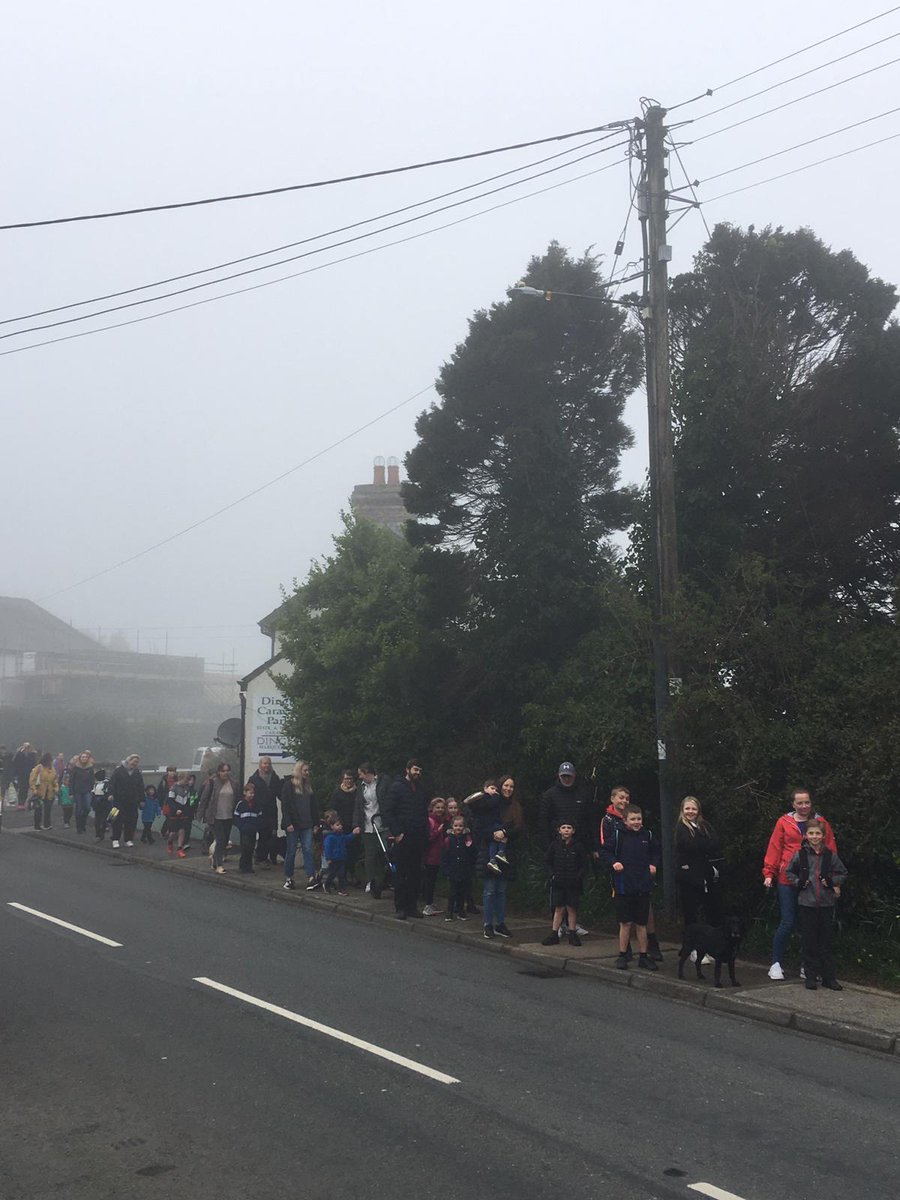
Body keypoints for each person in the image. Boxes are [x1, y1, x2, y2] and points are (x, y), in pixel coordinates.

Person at [763, 788, 838, 981]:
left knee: (809, 925)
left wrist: (833, 880)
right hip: (787, 879)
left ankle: (808, 966)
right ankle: (776, 963)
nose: (804, 806)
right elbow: (775, 847)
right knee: (788, 921)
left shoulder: (821, 823)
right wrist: (769, 873)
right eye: (799, 803)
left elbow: (831, 851)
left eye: (807, 802)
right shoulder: (784, 822)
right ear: (793, 804)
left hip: (813, 881)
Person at [600, 786, 663, 960]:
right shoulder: (608, 821)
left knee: (644, 913)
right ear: (612, 799)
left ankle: (650, 945)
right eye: (621, 797)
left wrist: (652, 864)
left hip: (641, 877)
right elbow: (606, 847)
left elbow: (655, 850)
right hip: (622, 876)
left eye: (627, 798)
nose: (624, 801)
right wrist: (614, 863)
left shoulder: (644, 832)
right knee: (625, 918)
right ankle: (624, 950)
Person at [785, 819, 848, 991]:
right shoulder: (801, 855)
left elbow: (843, 873)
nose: (814, 837)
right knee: (809, 941)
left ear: (823, 836)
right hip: (807, 903)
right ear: (806, 835)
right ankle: (810, 977)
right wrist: (798, 882)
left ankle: (829, 978)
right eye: (811, 833)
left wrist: (831, 881)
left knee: (826, 942)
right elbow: (788, 871)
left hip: (826, 903)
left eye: (818, 833)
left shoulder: (830, 855)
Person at [476, 774, 523, 940]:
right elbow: (480, 826)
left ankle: (500, 923)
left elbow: (518, 828)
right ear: (500, 786)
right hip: (489, 850)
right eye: (506, 785)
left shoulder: (515, 806)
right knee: (490, 890)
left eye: (511, 786)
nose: (508, 789)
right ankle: (488, 924)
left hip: (506, 852)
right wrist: (493, 835)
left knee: (502, 890)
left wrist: (504, 833)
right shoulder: (491, 803)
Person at [381, 759, 429, 920]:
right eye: (415, 769)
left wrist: (425, 833)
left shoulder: (421, 789)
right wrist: (397, 833)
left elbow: (423, 812)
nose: (417, 773)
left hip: (418, 836)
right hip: (403, 836)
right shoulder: (397, 787)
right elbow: (388, 811)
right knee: (401, 872)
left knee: (415, 873)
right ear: (407, 769)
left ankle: (412, 906)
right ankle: (400, 907)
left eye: (420, 770)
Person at [675, 795, 723, 928]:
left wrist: (702, 845)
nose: (690, 812)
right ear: (682, 810)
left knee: (711, 910)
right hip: (689, 877)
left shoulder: (705, 825)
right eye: (687, 808)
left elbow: (715, 842)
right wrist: (703, 844)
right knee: (691, 913)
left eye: (693, 809)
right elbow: (690, 846)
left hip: (706, 874)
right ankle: (691, 945)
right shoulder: (681, 828)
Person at [541, 821, 589, 947]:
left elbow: (584, 864)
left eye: (569, 828)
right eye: (563, 827)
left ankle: (572, 933)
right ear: (559, 830)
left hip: (573, 882)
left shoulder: (578, 846)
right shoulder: (554, 845)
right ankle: (554, 933)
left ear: (573, 831)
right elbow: (547, 861)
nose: (566, 830)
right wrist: (552, 874)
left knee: (572, 908)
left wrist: (578, 877)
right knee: (558, 908)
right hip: (558, 881)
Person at [353, 762, 392, 898]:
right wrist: (356, 824)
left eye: (361, 774)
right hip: (367, 823)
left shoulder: (383, 782)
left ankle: (382, 880)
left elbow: (388, 800)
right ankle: (371, 881)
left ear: (367, 773)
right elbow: (358, 806)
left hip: (382, 822)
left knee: (384, 852)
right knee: (370, 854)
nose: (359, 777)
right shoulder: (361, 787)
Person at [280, 760, 319, 890]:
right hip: (293, 824)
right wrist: (288, 822)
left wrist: (316, 823)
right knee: (291, 851)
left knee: (308, 849)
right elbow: (285, 806)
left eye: (308, 771)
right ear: (299, 771)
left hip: (307, 823)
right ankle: (289, 877)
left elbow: (313, 806)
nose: (307, 773)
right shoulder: (288, 786)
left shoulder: (308, 786)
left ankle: (311, 877)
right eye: (305, 771)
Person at [197, 761, 238, 874]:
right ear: (219, 772)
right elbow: (204, 799)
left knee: (224, 841)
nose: (225, 773)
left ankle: (214, 860)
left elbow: (237, 799)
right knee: (220, 840)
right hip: (215, 816)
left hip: (228, 816)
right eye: (223, 771)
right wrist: (200, 814)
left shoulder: (233, 783)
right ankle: (219, 865)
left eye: (227, 770)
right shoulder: (212, 783)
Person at [247, 756, 281, 867]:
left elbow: (279, 793)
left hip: (271, 810)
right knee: (260, 834)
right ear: (260, 765)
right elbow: (249, 793)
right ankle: (259, 857)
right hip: (258, 810)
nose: (267, 765)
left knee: (269, 834)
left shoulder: (275, 778)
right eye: (264, 763)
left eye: (268, 763)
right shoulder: (254, 778)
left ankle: (263, 857)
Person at [330, 769, 362, 885]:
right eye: (346, 779)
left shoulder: (358, 792)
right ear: (342, 780)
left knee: (353, 852)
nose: (348, 781)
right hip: (342, 826)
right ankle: (341, 875)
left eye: (350, 779)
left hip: (354, 825)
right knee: (342, 851)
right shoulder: (337, 793)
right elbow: (333, 810)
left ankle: (352, 874)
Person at [442, 815, 475, 921]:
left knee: (462, 892)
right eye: (456, 826)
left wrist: (470, 846)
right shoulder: (448, 840)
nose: (458, 828)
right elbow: (445, 856)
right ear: (452, 826)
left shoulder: (467, 839)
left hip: (464, 870)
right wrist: (446, 869)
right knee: (452, 893)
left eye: (460, 826)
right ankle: (449, 912)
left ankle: (461, 911)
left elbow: (472, 854)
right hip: (453, 870)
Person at [109, 754, 144, 847]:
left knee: (131, 820)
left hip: (133, 800)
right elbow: (112, 783)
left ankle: (128, 839)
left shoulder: (137, 772)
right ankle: (115, 839)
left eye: (137, 762)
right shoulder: (118, 771)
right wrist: (110, 794)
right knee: (117, 819)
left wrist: (142, 799)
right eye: (134, 761)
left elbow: (141, 786)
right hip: (119, 799)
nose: (135, 763)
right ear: (128, 760)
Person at [422, 797, 447, 915]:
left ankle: (430, 902)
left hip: (438, 855)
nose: (440, 810)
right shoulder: (431, 821)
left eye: (442, 807)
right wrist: (438, 831)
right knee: (429, 880)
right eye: (437, 807)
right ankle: (427, 904)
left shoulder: (441, 820)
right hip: (430, 856)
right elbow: (428, 838)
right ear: (432, 808)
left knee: (433, 880)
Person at [323, 817, 357, 895]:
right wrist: (328, 858)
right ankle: (327, 884)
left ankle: (341, 889)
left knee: (341, 875)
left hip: (341, 858)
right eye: (337, 825)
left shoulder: (341, 835)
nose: (340, 826)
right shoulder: (330, 837)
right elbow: (327, 848)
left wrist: (353, 834)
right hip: (333, 859)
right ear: (332, 826)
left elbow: (347, 839)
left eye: (340, 825)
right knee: (332, 874)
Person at [233, 782, 261, 874]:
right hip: (244, 830)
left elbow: (259, 815)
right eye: (250, 793)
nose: (252, 795)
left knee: (251, 848)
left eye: (253, 793)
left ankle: (249, 866)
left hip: (253, 829)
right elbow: (236, 816)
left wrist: (257, 826)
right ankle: (243, 866)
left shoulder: (256, 804)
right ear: (245, 792)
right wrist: (241, 826)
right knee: (245, 848)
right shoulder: (241, 804)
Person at [163, 774, 192, 857]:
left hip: (183, 813)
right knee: (173, 832)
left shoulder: (187, 788)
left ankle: (180, 848)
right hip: (174, 813)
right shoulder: (173, 788)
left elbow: (188, 800)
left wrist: (187, 810)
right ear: (181, 779)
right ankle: (170, 842)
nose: (187, 782)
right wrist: (176, 810)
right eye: (186, 780)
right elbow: (170, 801)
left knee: (182, 830)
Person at [67, 750, 95, 834]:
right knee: (79, 809)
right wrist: (71, 793)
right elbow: (71, 781)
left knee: (87, 808)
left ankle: (83, 823)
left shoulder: (90, 768)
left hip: (87, 790)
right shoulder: (75, 768)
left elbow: (92, 779)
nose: (84, 758)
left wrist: (91, 788)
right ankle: (79, 827)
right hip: (77, 790)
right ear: (80, 758)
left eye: (86, 757)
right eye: (83, 757)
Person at [29, 752, 59, 830]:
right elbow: (32, 780)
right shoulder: (39, 768)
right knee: (38, 809)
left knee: (48, 809)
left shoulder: (52, 769)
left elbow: (55, 780)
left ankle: (47, 824)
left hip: (49, 792)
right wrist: (34, 789)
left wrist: (56, 788)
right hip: (39, 792)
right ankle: (37, 825)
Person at [13, 743, 37, 811]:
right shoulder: (19, 755)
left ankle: (27, 803)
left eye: (28, 747)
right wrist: (15, 775)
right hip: (21, 775)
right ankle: (21, 804)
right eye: (26, 747)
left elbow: (34, 764)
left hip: (29, 775)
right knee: (22, 789)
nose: (27, 749)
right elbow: (15, 764)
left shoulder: (32, 755)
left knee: (28, 789)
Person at [92, 769, 110, 840]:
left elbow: (108, 793)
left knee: (104, 820)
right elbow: (93, 793)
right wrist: (93, 802)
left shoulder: (107, 784)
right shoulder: (96, 784)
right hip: (97, 804)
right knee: (97, 821)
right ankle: (98, 834)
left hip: (105, 804)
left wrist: (102, 798)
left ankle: (102, 832)